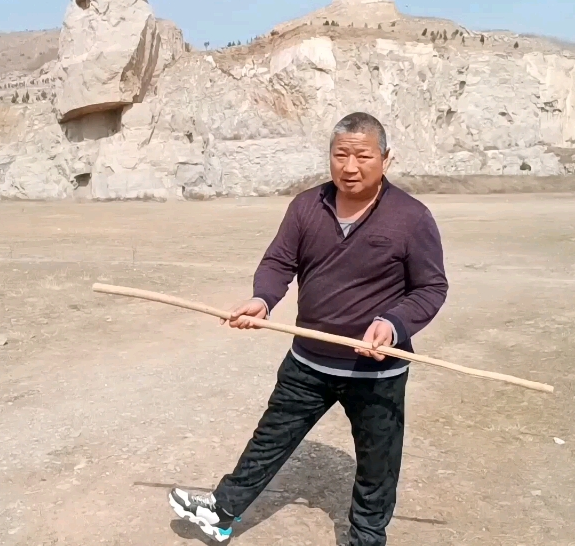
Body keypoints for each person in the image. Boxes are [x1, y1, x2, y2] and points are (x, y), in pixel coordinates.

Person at [168, 112, 449, 545]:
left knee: (378, 464)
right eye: (340, 155)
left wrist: (392, 324)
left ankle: (366, 538)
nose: (350, 167)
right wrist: (263, 299)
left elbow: (430, 288)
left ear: (386, 159)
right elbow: (280, 261)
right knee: (270, 439)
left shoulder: (411, 217)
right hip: (309, 362)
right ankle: (222, 513)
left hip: (377, 373)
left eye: (363, 156)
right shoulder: (306, 206)